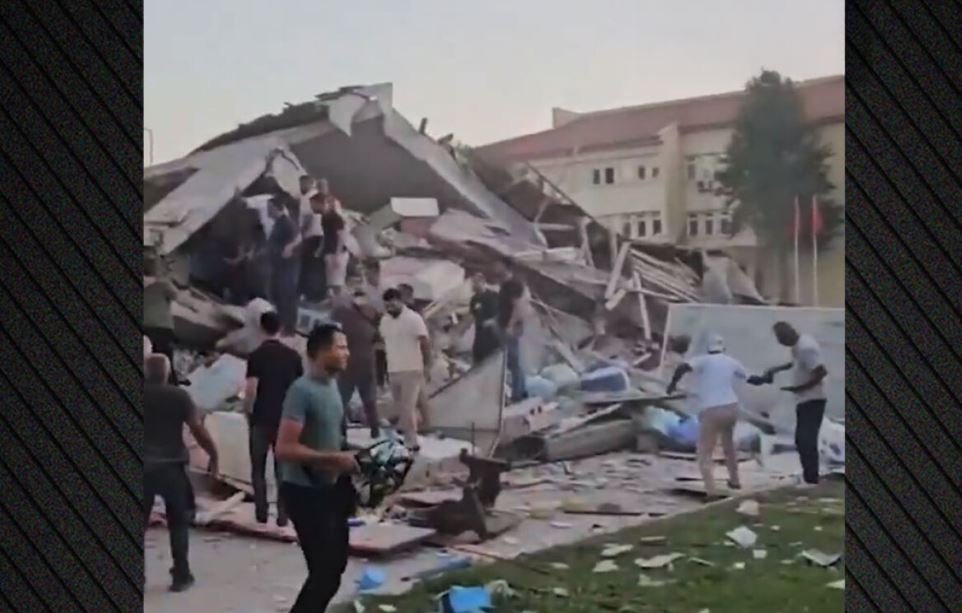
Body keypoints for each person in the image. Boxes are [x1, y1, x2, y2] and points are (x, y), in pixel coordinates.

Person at [275, 323, 360, 613]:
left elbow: (332, 437)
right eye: (341, 347)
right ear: (322, 351)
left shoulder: (333, 387)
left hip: (332, 489)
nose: (347, 353)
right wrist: (335, 459)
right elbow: (284, 448)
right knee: (324, 573)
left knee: (334, 568)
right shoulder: (301, 391)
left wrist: (355, 456)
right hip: (304, 491)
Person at [144, 354, 219, 593]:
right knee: (178, 522)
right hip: (172, 467)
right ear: (167, 372)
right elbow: (197, 428)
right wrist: (213, 453)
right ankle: (181, 574)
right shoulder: (179, 396)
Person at [666, 335, 767, 500]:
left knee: (704, 452)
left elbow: (682, 367)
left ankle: (711, 492)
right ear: (723, 348)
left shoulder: (703, 360)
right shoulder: (731, 361)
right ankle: (735, 481)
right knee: (729, 446)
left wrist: (672, 385)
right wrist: (767, 378)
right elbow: (753, 379)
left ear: (707, 348)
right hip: (731, 407)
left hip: (711, 410)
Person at [243, 311, 303, 525]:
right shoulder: (293, 357)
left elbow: (251, 389)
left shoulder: (256, 355)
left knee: (258, 468)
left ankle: (261, 513)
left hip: (261, 419)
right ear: (281, 329)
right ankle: (283, 515)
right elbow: (299, 390)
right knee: (283, 470)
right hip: (286, 421)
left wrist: (247, 412)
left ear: (261, 329)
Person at [764, 322, 829, 487]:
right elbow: (796, 363)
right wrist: (776, 369)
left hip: (813, 399)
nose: (780, 342)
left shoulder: (806, 347)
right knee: (803, 439)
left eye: (780, 338)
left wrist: (799, 388)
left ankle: (811, 479)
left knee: (806, 439)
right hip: (805, 399)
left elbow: (821, 372)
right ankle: (810, 476)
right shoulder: (798, 346)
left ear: (789, 333)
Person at [379, 288, 432, 450]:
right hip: (393, 369)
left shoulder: (414, 319)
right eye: (387, 305)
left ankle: (412, 442)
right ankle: (415, 430)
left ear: (400, 301)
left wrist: (427, 365)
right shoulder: (385, 321)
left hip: (412, 368)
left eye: (393, 304)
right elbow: (385, 344)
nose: (390, 308)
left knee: (407, 407)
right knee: (401, 407)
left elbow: (425, 343)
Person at [331, 290, 381, 438]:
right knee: (369, 400)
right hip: (366, 362)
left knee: (342, 400)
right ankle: (375, 430)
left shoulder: (343, 315)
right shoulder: (371, 317)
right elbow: (378, 337)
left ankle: (341, 432)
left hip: (349, 364)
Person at [267, 196, 301, 337]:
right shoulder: (278, 223)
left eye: (270, 208)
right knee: (277, 295)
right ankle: (282, 325)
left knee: (286, 297)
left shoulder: (287, 224)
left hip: (287, 268)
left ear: (277, 208)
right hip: (278, 267)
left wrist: (289, 248)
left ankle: (289, 328)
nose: (268, 211)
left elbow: (298, 239)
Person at [496, 257, 528, 402]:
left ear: (506, 267)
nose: (496, 268)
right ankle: (520, 390)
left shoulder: (514, 284)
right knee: (510, 361)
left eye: (499, 265)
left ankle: (518, 393)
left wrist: (510, 325)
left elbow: (518, 306)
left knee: (514, 361)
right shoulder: (504, 285)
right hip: (504, 326)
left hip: (511, 327)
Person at [144, 255, 179, 384]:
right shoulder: (163, 284)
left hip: (145, 328)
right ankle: (170, 388)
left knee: (147, 362)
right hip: (162, 328)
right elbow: (177, 296)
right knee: (165, 362)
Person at [297, 175, 326, 303]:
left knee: (309, 265)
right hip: (321, 235)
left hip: (312, 236)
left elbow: (308, 218)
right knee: (317, 266)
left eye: (302, 184)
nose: (301, 187)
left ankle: (310, 294)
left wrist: (301, 234)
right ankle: (318, 294)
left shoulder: (308, 198)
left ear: (309, 183)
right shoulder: (318, 196)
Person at [319, 179, 349, 298]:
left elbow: (341, 236)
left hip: (338, 252)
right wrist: (321, 249)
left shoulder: (336, 218)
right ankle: (334, 301)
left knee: (337, 282)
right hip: (329, 250)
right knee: (331, 281)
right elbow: (325, 234)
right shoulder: (325, 218)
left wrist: (337, 254)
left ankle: (341, 301)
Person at [469, 271, 500, 364]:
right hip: (479, 338)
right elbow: (473, 316)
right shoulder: (474, 300)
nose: (473, 285)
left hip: (492, 338)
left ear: (482, 282)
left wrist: (489, 322)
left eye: (476, 282)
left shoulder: (493, 296)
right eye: (473, 282)